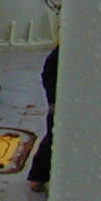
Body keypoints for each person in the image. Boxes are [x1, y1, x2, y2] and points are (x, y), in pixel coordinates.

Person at [27, 46, 59, 190]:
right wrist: (53, 100)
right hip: (63, 102)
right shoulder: (66, 51)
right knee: (54, 135)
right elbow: (49, 71)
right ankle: (38, 176)